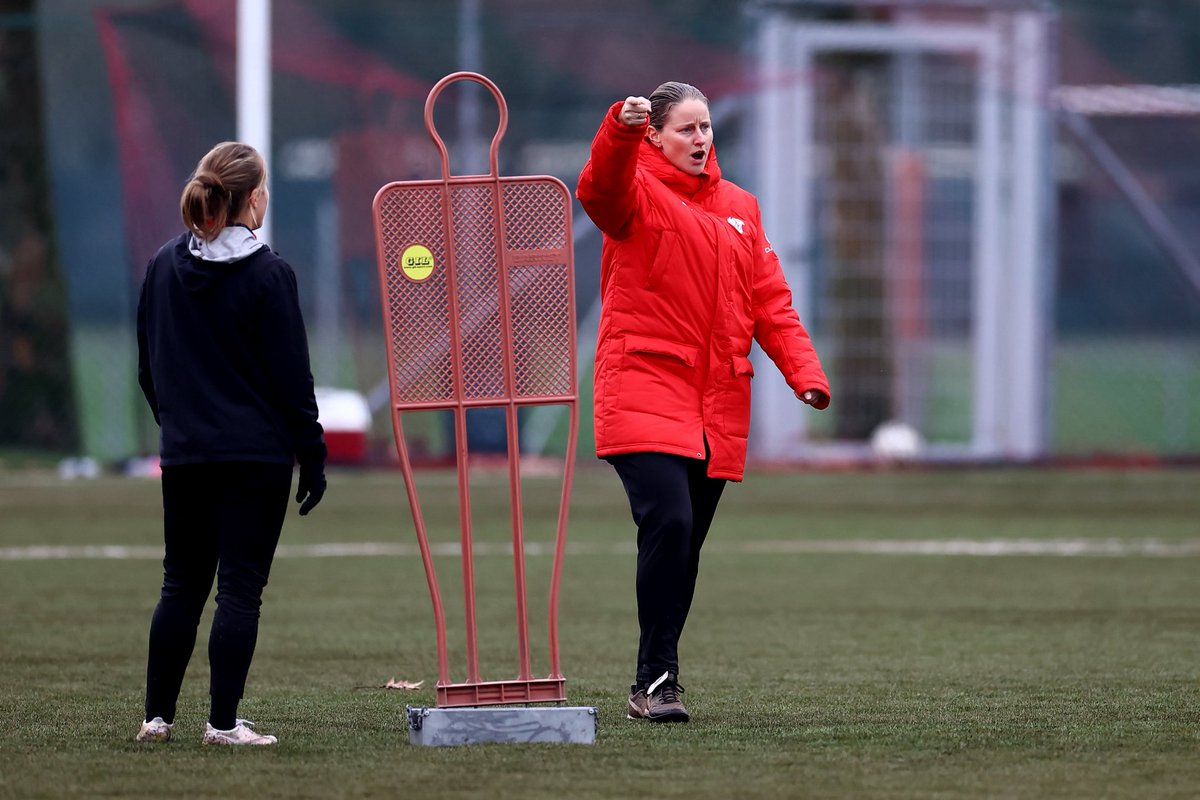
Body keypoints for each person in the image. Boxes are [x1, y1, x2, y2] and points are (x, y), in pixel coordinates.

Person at [576, 83, 831, 723]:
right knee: (672, 521)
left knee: (684, 548)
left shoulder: (741, 206)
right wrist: (619, 128)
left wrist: (805, 372)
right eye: (686, 129)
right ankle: (657, 683)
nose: (700, 139)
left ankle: (654, 681)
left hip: (714, 402)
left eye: (706, 127)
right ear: (656, 136)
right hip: (643, 386)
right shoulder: (632, 190)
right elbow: (597, 191)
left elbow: (770, 303)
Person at [134, 141, 327, 746]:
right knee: (240, 590)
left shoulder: (164, 264)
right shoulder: (270, 274)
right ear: (250, 199)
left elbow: (148, 367)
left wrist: (178, 425)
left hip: (186, 453)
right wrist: (312, 452)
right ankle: (221, 724)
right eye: (264, 186)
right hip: (255, 460)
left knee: (180, 586)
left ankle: (156, 718)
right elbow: (293, 379)